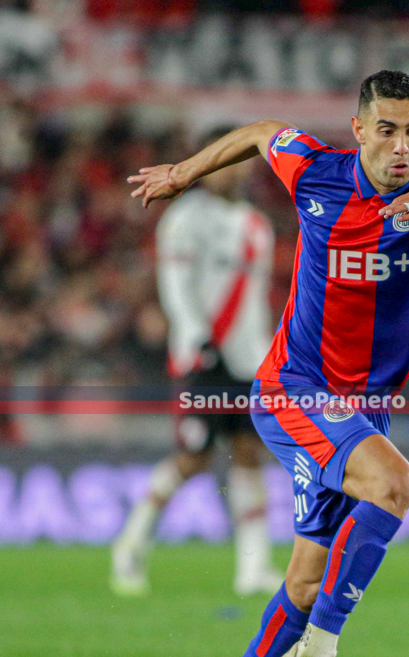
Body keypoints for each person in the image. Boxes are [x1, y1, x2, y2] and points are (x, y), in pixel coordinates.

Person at [127, 70, 409, 657]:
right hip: (293, 388)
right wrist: (183, 174)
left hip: (361, 411)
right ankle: (317, 656)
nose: (401, 147)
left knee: (306, 580)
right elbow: (258, 134)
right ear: (359, 129)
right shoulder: (316, 171)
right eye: (386, 130)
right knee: (394, 484)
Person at [112, 127, 283, 598]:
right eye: (225, 160)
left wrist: (268, 352)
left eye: (241, 160)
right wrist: (197, 339)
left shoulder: (257, 224)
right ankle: (130, 545)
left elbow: (256, 302)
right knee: (192, 457)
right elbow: (175, 287)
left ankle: (253, 568)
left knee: (249, 452)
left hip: (249, 361)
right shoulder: (185, 218)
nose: (234, 170)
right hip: (203, 356)